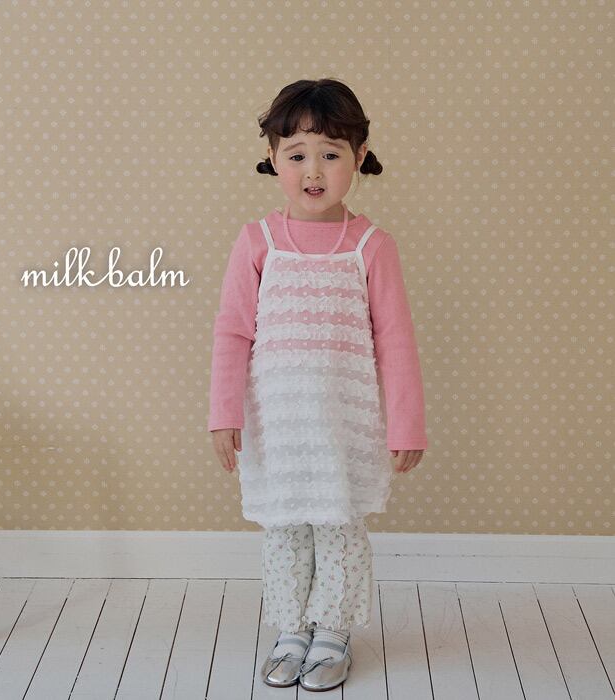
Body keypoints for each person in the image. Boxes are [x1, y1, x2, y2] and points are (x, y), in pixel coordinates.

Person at [208, 78, 428, 691]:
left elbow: (396, 341)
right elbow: (232, 333)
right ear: (272, 157)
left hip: (342, 426)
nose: (313, 170)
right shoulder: (257, 243)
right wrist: (223, 414)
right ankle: (291, 629)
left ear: (359, 157)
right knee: (284, 532)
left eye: (330, 154)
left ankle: (332, 631)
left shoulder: (372, 247)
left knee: (338, 529)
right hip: (277, 425)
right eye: (297, 154)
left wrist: (407, 425)